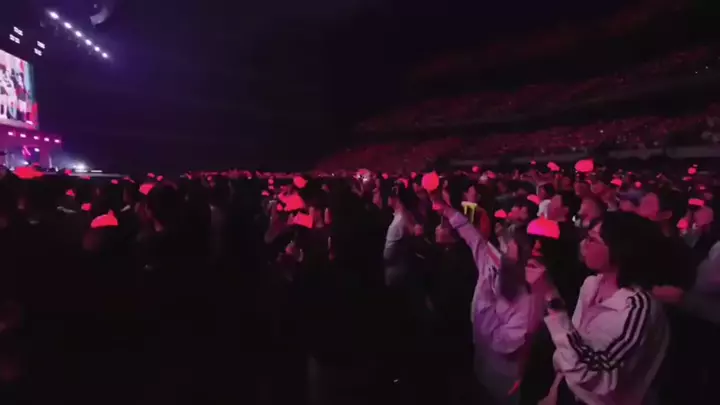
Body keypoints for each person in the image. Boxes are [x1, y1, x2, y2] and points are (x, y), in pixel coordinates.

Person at [540, 212, 669, 405]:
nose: (584, 245)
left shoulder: (637, 308)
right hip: (567, 390)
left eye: (592, 239)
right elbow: (573, 348)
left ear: (620, 250)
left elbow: (597, 374)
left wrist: (553, 300)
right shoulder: (592, 284)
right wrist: (554, 391)